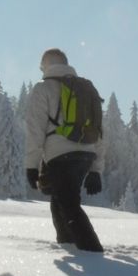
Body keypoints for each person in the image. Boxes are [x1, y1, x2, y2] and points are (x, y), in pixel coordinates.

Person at [24, 48, 105, 252]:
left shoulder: (43, 88)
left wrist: (31, 166)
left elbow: (35, 130)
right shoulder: (86, 89)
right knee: (60, 200)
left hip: (60, 156)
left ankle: (93, 254)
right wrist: (95, 170)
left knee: (69, 205)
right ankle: (69, 247)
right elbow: (100, 131)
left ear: (46, 65)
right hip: (86, 155)